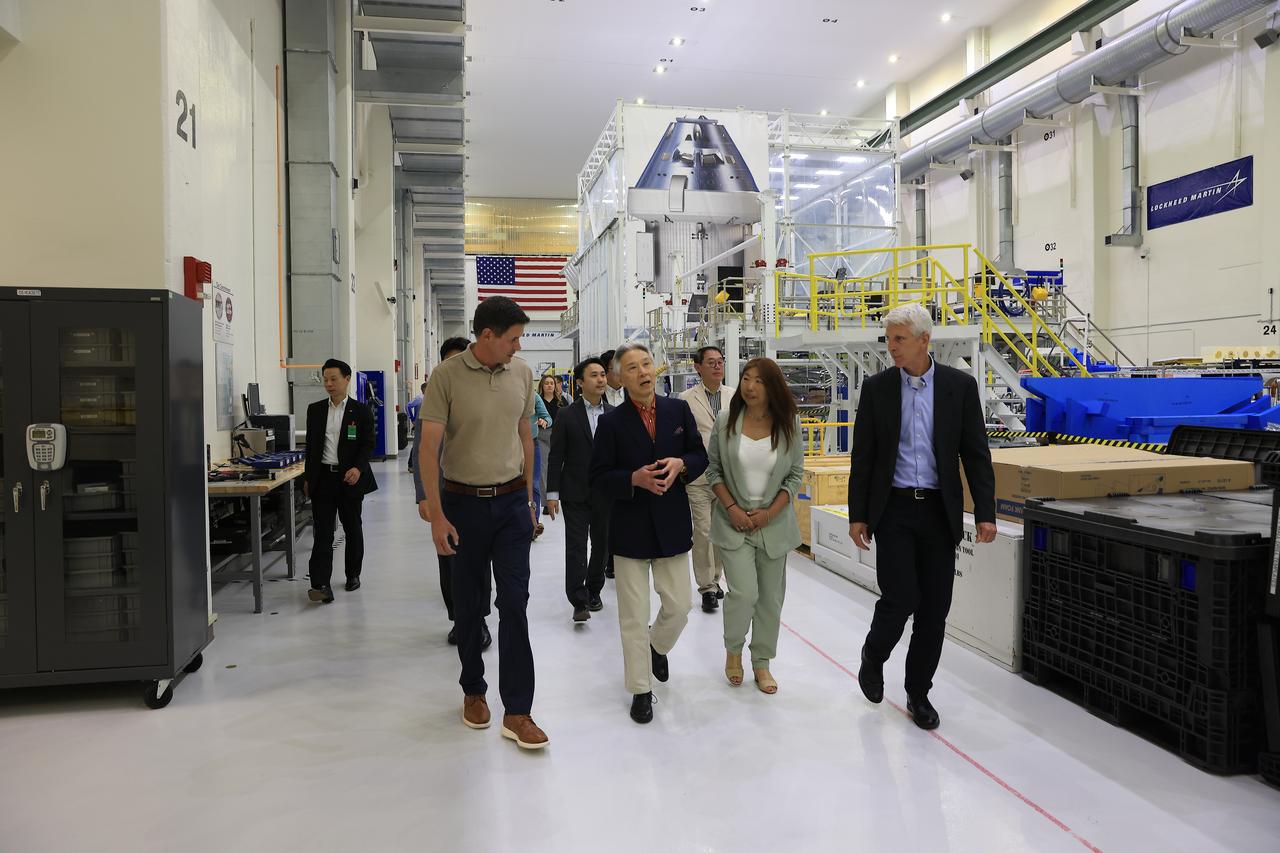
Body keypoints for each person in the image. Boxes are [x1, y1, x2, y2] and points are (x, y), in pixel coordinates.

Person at [848, 302, 996, 731]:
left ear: (924, 340)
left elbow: (976, 454)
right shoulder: (877, 390)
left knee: (934, 608)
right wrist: (859, 515)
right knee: (900, 598)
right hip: (893, 509)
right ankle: (873, 656)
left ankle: (918, 692)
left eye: (899, 339)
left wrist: (985, 513)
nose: (891, 347)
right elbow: (865, 456)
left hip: (938, 511)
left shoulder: (959, 387)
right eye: (889, 339)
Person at [419, 296, 548, 750]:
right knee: (471, 606)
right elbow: (428, 450)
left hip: (512, 503)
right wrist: (436, 514)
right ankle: (473, 689)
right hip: (463, 504)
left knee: (515, 602)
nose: (518, 347)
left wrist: (531, 498)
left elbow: (526, 435)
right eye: (512, 339)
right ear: (487, 336)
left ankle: (518, 710)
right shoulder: (446, 377)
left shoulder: (522, 374)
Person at [590, 343, 707, 724]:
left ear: (654, 369)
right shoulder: (610, 423)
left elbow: (699, 455)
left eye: (646, 364)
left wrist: (681, 464)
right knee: (632, 616)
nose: (642, 372)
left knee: (679, 606)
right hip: (630, 531)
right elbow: (599, 478)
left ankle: (657, 647)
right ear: (618, 379)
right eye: (632, 368)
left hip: (672, 525)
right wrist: (633, 479)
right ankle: (641, 689)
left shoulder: (678, 410)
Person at [705, 358, 803, 694]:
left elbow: (794, 475)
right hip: (734, 523)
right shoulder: (725, 421)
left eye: (759, 381)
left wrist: (770, 512)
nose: (749, 386)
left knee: (770, 599)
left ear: (772, 386)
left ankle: (762, 662)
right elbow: (713, 471)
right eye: (746, 378)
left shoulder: (788, 423)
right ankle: (734, 651)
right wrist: (731, 508)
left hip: (773, 524)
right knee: (744, 593)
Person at [414, 337, 491, 650]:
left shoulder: (483, 397)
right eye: (450, 360)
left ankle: (480, 618)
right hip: (444, 493)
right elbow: (420, 452)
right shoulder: (433, 400)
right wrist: (423, 496)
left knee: (479, 560)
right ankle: (460, 619)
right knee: (449, 560)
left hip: (480, 492)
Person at [303, 358, 378, 603]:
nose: (329, 384)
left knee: (352, 528)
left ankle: (352, 574)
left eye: (334, 379)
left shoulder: (361, 410)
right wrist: (308, 477)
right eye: (325, 379)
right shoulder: (315, 410)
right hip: (323, 478)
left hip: (349, 479)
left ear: (347, 379)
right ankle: (320, 584)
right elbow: (311, 448)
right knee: (323, 532)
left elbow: (368, 444)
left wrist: (358, 468)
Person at [545, 358, 613, 623]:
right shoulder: (567, 414)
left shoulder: (613, 413)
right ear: (580, 382)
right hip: (574, 492)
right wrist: (552, 495)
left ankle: (594, 590)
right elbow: (555, 456)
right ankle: (578, 599)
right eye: (594, 375)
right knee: (575, 547)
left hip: (605, 493)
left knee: (602, 546)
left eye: (603, 375)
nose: (600, 379)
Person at [679, 345, 734, 614]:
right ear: (698, 367)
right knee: (703, 531)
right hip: (699, 477)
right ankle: (707, 588)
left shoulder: (734, 397)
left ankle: (716, 577)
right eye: (710, 362)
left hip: (727, 478)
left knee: (721, 532)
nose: (717, 366)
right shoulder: (686, 399)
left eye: (720, 361)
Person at [535, 374, 567, 516]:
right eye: (546, 383)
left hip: (559, 436)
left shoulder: (562, 401)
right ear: (542, 386)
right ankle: (547, 502)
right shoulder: (537, 400)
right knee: (543, 469)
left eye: (551, 383)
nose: (549, 385)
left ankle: (558, 497)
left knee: (559, 467)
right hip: (542, 435)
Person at [530, 391, 552, 540]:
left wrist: (544, 421)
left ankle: (534, 524)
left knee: (534, 484)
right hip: (510, 446)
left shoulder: (534, 396)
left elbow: (548, 417)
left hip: (532, 444)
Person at [406, 381, 426, 470]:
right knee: (417, 445)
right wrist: (412, 418)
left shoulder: (432, 398)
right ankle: (411, 465)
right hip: (420, 424)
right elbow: (408, 406)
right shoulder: (420, 398)